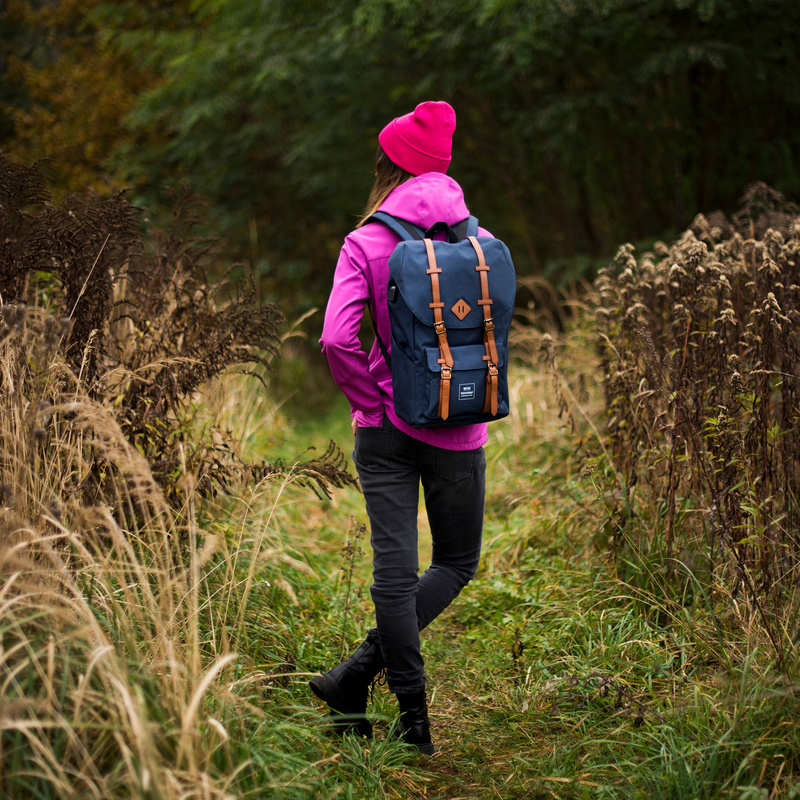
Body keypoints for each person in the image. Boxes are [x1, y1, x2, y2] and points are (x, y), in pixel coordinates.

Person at [312, 101, 489, 756]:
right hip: (460, 425)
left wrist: (372, 401)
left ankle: (401, 710)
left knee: (395, 569)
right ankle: (367, 686)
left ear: (388, 168)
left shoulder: (365, 241)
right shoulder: (478, 239)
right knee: (455, 561)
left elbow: (335, 338)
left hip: (385, 430)